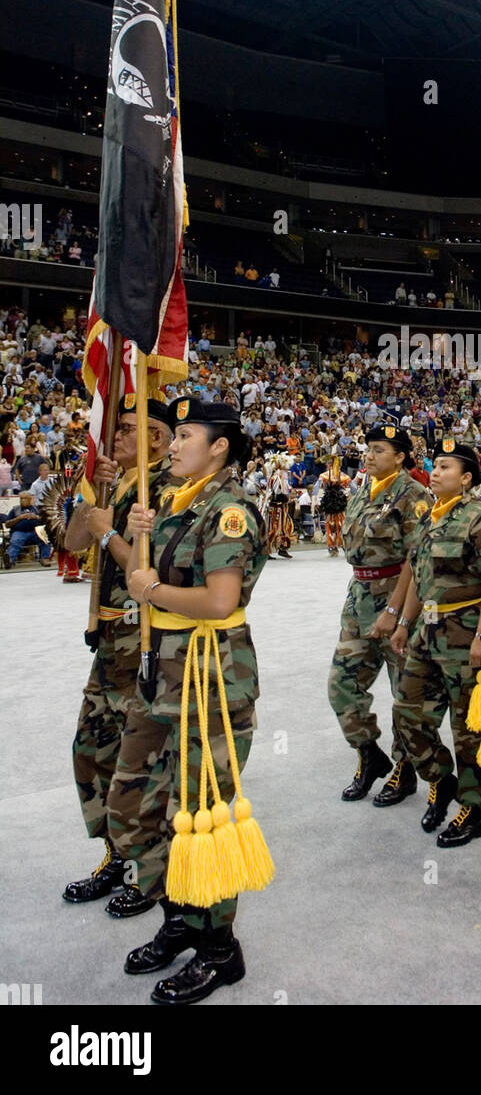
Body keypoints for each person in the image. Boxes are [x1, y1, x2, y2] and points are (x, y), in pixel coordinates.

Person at [117, 396, 268, 1005]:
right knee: (133, 803)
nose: (171, 445)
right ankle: (178, 913)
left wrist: (150, 586)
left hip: (210, 675)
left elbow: (215, 601)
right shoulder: (177, 507)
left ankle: (218, 948)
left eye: (183, 435)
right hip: (163, 673)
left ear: (220, 447)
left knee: (204, 813)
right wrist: (128, 541)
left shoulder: (228, 512)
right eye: (172, 436)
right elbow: (145, 578)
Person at [60, 398, 178, 916]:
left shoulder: (166, 491)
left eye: (127, 429)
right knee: (92, 750)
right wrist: (94, 503)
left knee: (144, 767)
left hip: (144, 643)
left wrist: (109, 532)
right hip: (107, 645)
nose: (117, 438)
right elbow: (69, 541)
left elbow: (154, 575)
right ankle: (116, 852)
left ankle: (149, 868)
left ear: (157, 437)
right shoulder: (110, 483)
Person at [390, 438, 481, 847]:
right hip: (427, 629)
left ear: (467, 478)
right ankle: (441, 778)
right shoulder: (428, 519)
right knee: (408, 711)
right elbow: (419, 575)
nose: (435, 472)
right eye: (434, 466)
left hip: (464, 631)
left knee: (466, 728)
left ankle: (472, 809)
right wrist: (404, 622)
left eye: (445, 467)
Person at [327, 424, 430, 805]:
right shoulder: (361, 491)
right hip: (359, 599)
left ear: (400, 456)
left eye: (378, 450)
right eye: (367, 449)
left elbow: (415, 559)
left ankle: (405, 770)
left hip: (397, 602)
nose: (368, 455)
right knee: (341, 683)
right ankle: (369, 755)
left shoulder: (413, 496)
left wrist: (395, 612)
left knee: (404, 692)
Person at [1, 491, 52, 565]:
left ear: (30, 499)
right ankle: (10, 560)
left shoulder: (37, 509)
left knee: (45, 538)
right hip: (20, 532)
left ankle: (45, 558)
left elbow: (46, 520)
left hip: (35, 532)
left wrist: (36, 517)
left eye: (25, 498)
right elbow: (7, 524)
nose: (23, 500)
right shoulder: (15, 510)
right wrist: (19, 518)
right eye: (21, 499)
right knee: (15, 541)